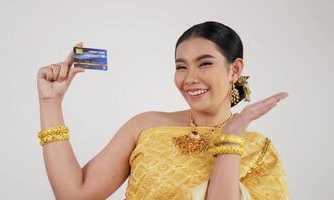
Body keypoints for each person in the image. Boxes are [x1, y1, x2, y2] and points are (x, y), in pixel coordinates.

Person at [36, 21, 290, 200]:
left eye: (204, 64)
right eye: (181, 67)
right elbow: (74, 194)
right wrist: (50, 103)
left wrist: (232, 136)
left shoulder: (260, 151)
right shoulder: (146, 126)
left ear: (234, 70)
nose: (190, 78)